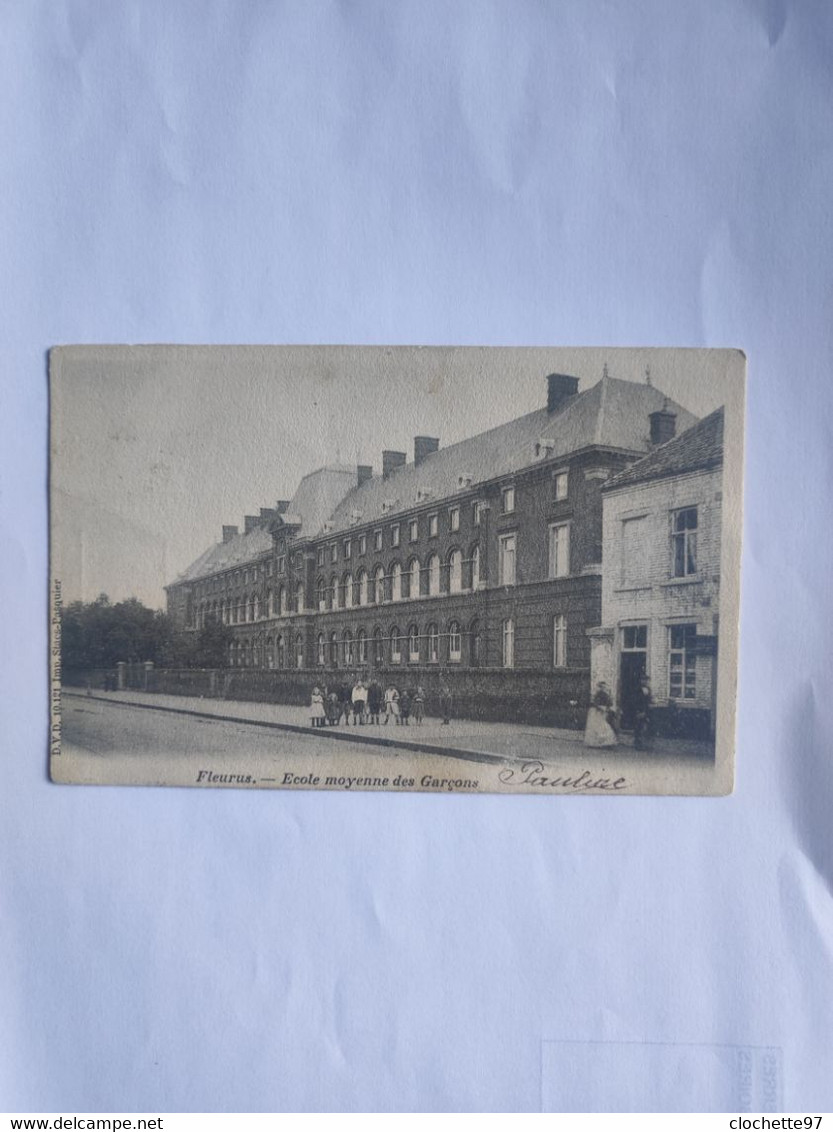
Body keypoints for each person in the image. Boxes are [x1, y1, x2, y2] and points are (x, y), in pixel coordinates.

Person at [583, 681, 618, 748]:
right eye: (601, 687)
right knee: (597, 726)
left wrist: (606, 706)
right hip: (597, 712)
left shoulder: (605, 694)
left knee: (603, 726)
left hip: (601, 712)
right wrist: (600, 707)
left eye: (603, 687)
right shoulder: (597, 694)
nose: (602, 688)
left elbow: (610, 703)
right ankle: (597, 743)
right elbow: (595, 703)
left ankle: (605, 742)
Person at [633, 675, 654, 750]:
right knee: (638, 727)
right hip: (640, 710)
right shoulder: (637, 689)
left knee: (646, 727)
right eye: (644, 680)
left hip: (647, 710)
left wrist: (652, 703)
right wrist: (639, 711)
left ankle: (645, 744)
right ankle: (637, 744)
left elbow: (649, 699)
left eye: (647, 680)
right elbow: (636, 701)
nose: (646, 682)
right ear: (641, 681)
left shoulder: (649, 689)